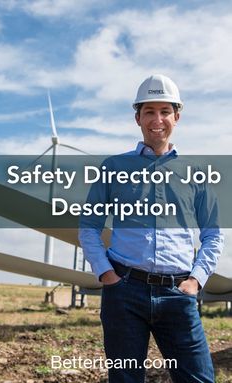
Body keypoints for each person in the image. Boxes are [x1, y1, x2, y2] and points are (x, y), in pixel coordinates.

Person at [79, 74, 224, 383]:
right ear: (137, 118)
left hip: (178, 292)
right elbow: (89, 225)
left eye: (165, 111)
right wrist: (107, 274)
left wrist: (196, 280)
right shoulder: (112, 167)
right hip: (124, 291)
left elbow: (213, 234)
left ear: (177, 117)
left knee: (198, 378)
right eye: (149, 111)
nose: (157, 119)